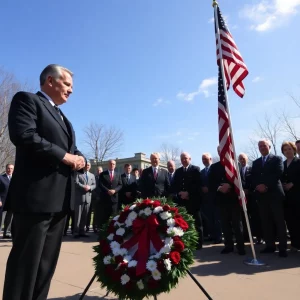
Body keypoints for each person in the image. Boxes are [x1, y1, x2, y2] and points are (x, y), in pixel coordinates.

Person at [3, 64, 86, 300]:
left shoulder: (63, 118)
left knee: (44, 269)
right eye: (68, 84)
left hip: (60, 203)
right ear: (50, 81)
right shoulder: (27, 100)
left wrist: (81, 159)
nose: (71, 91)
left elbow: (73, 149)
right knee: (25, 268)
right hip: (35, 200)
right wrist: (65, 156)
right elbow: (24, 135)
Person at [251, 139, 287, 257]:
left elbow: (278, 173)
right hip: (262, 197)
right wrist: (258, 186)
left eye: (264, 145)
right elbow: (253, 177)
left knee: (279, 222)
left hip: (274, 195)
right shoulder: (256, 163)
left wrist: (265, 185)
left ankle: (282, 247)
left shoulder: (277, 159)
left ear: (269, 146)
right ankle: (270, 245)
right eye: (260, 146)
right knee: (266, 222)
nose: (262, 147)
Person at [209, 147, 245, 255]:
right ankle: (228, 246)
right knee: (225, 224)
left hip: (233, 199)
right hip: (221, 200)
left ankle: (241, 246)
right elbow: (211, 183)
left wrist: (230, 185)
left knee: (237, 224)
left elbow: (242, 181)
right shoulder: (214, 167)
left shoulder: (235, 165)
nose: (223, 152)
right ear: (218, 152)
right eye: (220, 151)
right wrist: (220, 187)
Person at [171, 152, 203, 249]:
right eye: (182, 158)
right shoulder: (178, 171)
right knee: (183, 223)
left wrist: (188, 193)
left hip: (193, 201)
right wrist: (179, 193)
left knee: (197, 223)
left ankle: (199, 243)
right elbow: (174, 185)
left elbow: (198, 185)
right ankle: (186, 243)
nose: (183, 160)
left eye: (185, 158)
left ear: (190, 158)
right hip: (182, 202)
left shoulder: (195, 169)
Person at [238, 153, 262, 244]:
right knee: (244, 217)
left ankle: (259, 236)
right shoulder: (238, 171)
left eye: (243, 158)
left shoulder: (252, 169)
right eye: (240, 159)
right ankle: (247, 236)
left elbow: (255, 180)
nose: (242, 160)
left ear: (247, 159)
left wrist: (249, 190)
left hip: (252, 196)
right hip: (243, 197)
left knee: (256, 217)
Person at [281, 141, 300, 250]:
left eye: (289, 149)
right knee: (290, 220)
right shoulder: (282, 164)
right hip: (287, 197)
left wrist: (293, 184)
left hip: (297, 195)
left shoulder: (298, 162)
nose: (287, 151)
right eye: (285, 150)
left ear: (294, 149)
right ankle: (294, 243)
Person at [200, 153, 222, 244]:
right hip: (206, 199)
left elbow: (217, 181)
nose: (204, 161)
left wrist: (210, 187)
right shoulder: (201, 172)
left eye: (206, 159)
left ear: (211, 159)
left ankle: (218, 236)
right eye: (203, 159)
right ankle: (212, 235)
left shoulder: (215, 168)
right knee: (209, 218)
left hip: (215, 197)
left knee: (217, 218)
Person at [74, 162, 96, 238]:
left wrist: (90, 188)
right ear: (84, 166)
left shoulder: (92, 175)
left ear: (90, 167)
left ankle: (82, 231)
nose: (87, 166)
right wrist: (84, 186)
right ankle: (76, 232)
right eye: (86, 165)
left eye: (89, 165)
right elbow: (76, 183)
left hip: (88, 198)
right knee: (78, 216)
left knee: (85, 216)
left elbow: (94, 185)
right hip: (80, 198)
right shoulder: (78, 174)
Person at [98, 160, 122, 226]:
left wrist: (114, 190)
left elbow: (120, 185)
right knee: (104, 216)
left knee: (114, 216)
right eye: (110, 164)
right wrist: (107, 190)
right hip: (105, 198)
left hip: (114, 199)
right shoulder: (102, 174)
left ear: (115, 165)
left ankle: (112, 231)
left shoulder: (118, 174)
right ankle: (102, 231)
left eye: (113, 164)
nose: (112, 165)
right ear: (108, 165)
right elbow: (100, 184)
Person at [0, 164, 14, 238]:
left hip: (11, 202)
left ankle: (6, 233)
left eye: (11, 168)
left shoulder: (15, 178)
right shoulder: (1, 177)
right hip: (2, 201)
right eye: (8, 168)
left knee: (9, 218)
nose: (10, 170)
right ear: (6, 169)